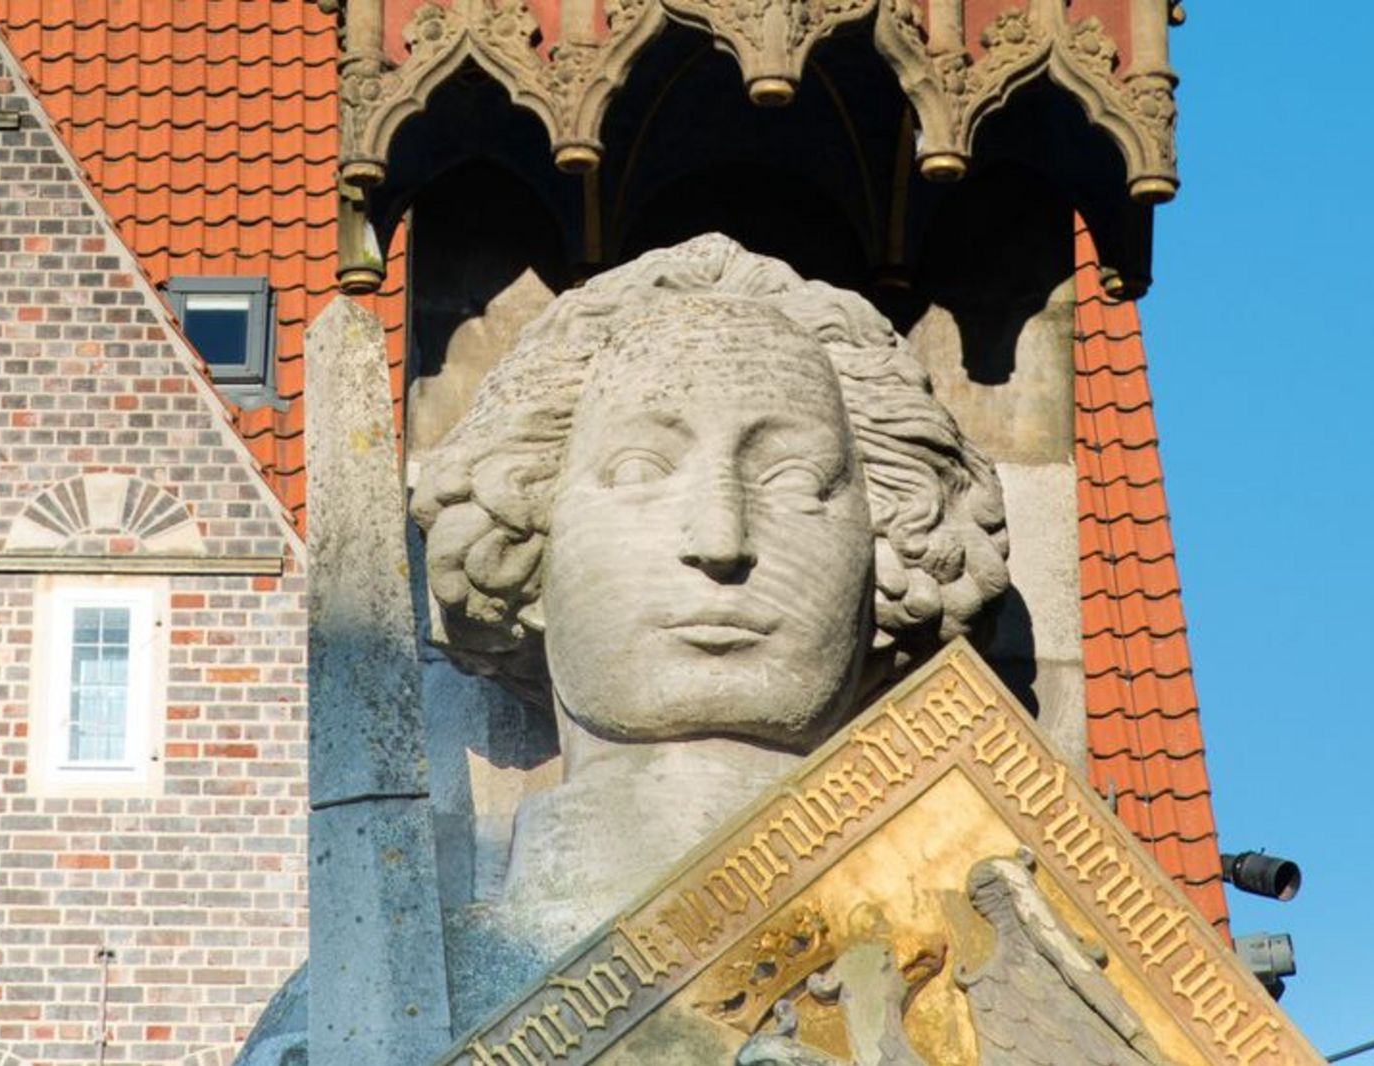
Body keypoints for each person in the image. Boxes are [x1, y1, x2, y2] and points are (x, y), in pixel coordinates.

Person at [411, 233, 1012, 992]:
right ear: (531, 529)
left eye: (793, 478)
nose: (721, 541)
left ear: (888, 538)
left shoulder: (991, 985)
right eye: (641, 469)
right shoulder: (384, 998)